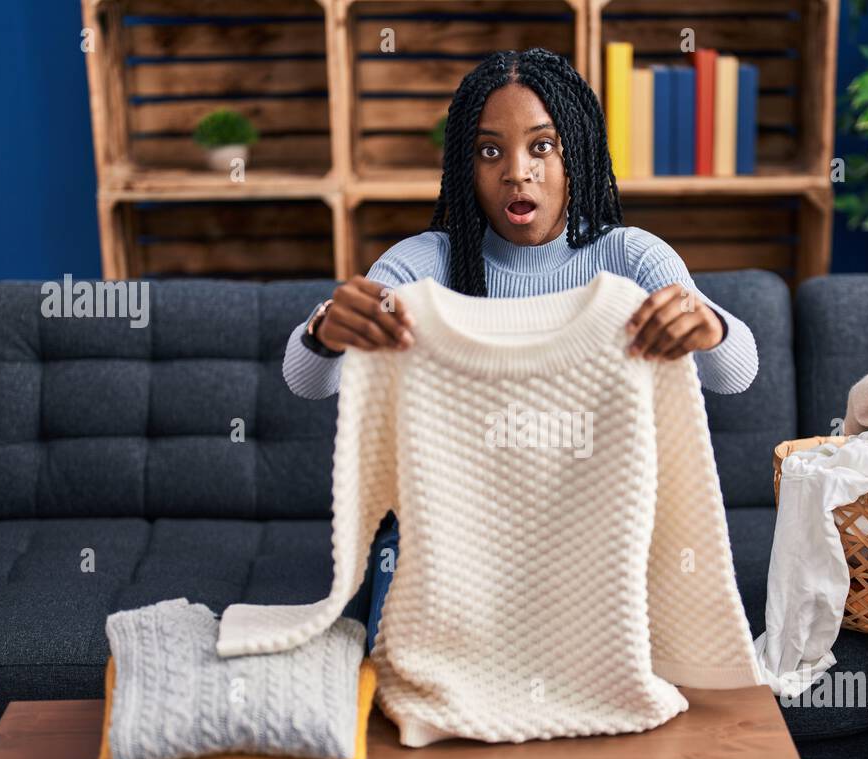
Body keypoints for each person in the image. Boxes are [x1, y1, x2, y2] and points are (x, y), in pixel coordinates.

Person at [282, 48, 761, 653]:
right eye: (490, 151)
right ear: (466, 164)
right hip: (447, 540)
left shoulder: (633, 258)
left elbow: (735, 373)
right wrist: (328, 327)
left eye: (542, 146)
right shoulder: (425, 265)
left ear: (576, 151)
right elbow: (306, 380)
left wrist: (707, 323)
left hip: (595, 531)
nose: (517, 172)